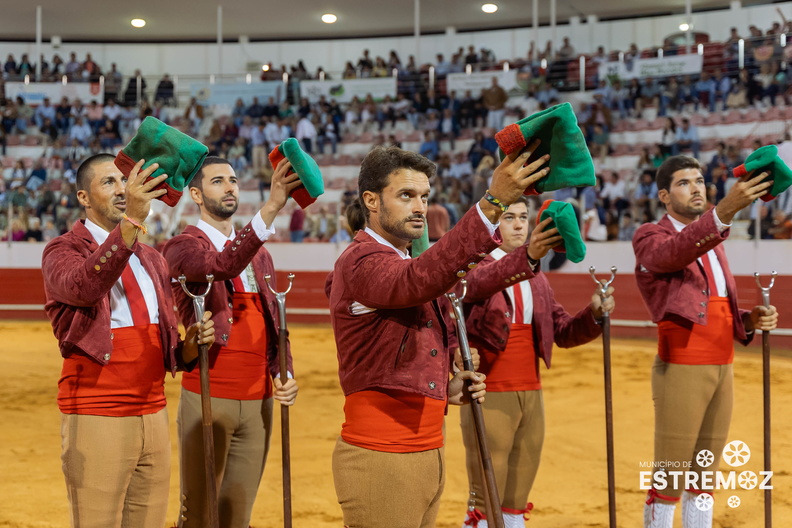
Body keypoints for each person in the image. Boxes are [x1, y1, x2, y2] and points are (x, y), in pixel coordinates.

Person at [326, 142, 551, 528]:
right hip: (383, 453)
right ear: (371, 200)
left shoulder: (401, 260)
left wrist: (443, 388)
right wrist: (492, 203)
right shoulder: (360, 260)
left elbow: (410, 330)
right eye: (406, 195)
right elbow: (420, 280)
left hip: (427, 448)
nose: (419, 207)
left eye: (424, 196)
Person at [41, 154, 216, 528]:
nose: (123, 189)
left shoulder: (152, 257)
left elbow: (166, 348)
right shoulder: (61, 251)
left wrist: (189, 346)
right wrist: (133, 221)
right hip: (97, 412)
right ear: (83, 197)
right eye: (109, 182)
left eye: (125, 181)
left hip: (153, 414)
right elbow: (86, 286)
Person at [633, 156, 779, 528]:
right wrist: (725, 211)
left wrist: (748, 319)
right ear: (664, 195)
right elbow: (674, 254)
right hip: (681, 365)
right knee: (669, 477)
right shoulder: (650, 235)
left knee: (704, 478)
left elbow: (712, 303)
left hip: (722, 365)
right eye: (685, 183)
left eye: (700, 180)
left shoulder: (713, 240)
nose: (697, 187)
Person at [459, 196, 614, 527]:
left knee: (516, 497)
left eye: (523, 217)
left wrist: (595, 314)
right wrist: (527, 257)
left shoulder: (537, 279)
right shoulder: (473, 268)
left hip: (532, 394)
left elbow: (563, 331)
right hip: (490, 394)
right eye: (508, 218)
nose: (518, 224)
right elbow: (478, 285)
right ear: (492, 226)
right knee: (485, 498)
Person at [162, 156, 301, 528]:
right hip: (210, 393)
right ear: (196, 193)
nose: (229, 187)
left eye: (234, 180)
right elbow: (222, 264)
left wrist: (284, 372)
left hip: (259, 401)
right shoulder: (181, 247)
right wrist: (272, 207)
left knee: (238, 514)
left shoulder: (262, 255)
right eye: (218, 181)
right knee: (200, 514)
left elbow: (276, 325)